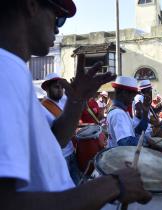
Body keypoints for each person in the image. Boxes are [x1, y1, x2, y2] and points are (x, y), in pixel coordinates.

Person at [0, 1, 151, 209]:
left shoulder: (12, 70)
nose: (57, 27)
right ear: (31, 5)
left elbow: (54, 141)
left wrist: (76, 100)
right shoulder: (6, 70)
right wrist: (114, 184)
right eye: (58, 16)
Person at [41, 72, 81, 185]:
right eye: (56, 87)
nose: (60, 90)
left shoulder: (64, 101)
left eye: (62, 87)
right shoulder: (42, 109)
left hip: (71, 152)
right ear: (47, 89)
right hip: (59, 157)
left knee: (77, 184)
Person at [106, 76, 150, 148]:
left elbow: (136, 132)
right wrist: (146, 143)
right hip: (120, 157)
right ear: (124, 93)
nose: (133, 98)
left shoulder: (122, 112)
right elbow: (125, 142)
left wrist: (145, 114)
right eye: (133, 94)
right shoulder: (118, 113)